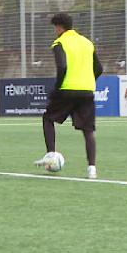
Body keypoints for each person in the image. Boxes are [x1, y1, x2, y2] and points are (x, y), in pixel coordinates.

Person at [35, 13, 103, 178]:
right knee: (88, 130)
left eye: (54, 28)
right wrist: (86, 80)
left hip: (67, 89)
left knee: (48, 118)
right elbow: (99, 69)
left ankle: (51, 154)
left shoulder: (60, 42)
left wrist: (57, 88)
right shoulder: (87, 43)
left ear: (59, 27)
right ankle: (92, 168)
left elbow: (62, 67)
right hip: (87, 90)